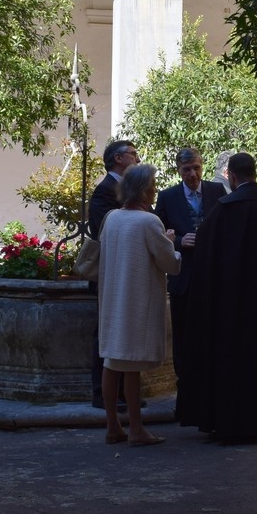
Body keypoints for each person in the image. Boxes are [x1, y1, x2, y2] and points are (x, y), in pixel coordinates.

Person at [176, 152, 257, 442]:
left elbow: (206, 252)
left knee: (231, 358)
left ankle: (230, 419)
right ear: (255, 172)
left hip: (231, 301)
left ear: (232, 176)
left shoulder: (225, 208)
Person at [97, 164, 180, 447]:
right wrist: (170, 242)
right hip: (136, 300)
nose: (155, 190)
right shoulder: (149, 222)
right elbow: (170, 263)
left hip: (113, 299)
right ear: (144, 190)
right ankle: (135, 428)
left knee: (112, 361)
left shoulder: (111, 217)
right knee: (130, 365)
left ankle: (113, 425)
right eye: (153, 185)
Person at [153, 147, 225, 398]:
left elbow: (226, 225)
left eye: (196, 168)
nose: (193, 174)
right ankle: (185, 388)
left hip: (213, 274)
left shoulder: (217, 191)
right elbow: (158, 233)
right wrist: (179, 241)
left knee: (213, 331)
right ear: (178, 170)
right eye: (187, 170)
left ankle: (213, 385)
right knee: (183, 334)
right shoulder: (167, 196)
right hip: (182, 276)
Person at [86, 139, 139, 409]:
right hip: (111, 272)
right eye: (133, 154)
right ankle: (102, 395)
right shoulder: (105, 191)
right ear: (118, 159)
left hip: (128, 270)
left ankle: (126, 394)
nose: (137, 160)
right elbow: (106, 229)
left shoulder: (130, 190)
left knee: (128, 332)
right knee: (107, 333)